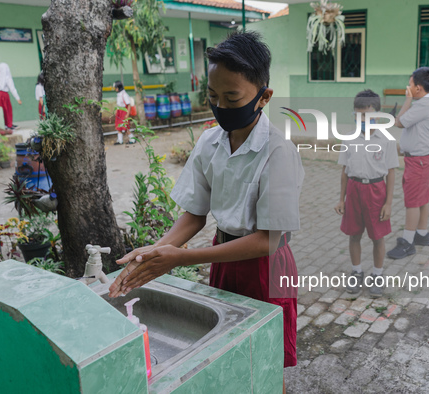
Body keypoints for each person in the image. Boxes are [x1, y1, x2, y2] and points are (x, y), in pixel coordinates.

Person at [108, 31, 304, 391]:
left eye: (232, 98)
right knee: (229, 350)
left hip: (266, 267)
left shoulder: (278, 152)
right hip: (223, 257)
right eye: (213, 96)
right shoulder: (209, 141)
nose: (221, 107)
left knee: (267, 358)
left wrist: (178, 258)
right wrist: (157, 252)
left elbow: (268, 240)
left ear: (264, 97)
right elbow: (195, 214)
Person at [334, 89, 399, 297]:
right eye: (358, 115)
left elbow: (391, 173)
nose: (363, 119)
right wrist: (341, 199)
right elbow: (344, 171)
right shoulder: (349, 138)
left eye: (367, 115)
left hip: (376, 191)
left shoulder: (386, 140)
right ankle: (357, 271)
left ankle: (378, 274)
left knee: (377, 237)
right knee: (354, 234)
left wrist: (388, 203)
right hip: (354, 190)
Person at [387, 67, 429, 259]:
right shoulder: (426, 102)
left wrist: (407, 99)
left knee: (412, 202)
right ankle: (422, 234)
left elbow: (399, 122)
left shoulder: (422, 105)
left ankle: (408, 243)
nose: (407, 87)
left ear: (417, 87)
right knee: (421, 198)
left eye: (410, 84)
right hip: (422, 158)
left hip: (419, 161)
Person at [0, 63, 22, 130]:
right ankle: (9, 124)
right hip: (4, 95)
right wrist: (18, 98)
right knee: (7, 109)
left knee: (1, 109)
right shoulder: (7, 78)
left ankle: (4, 124)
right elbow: (12, 88)